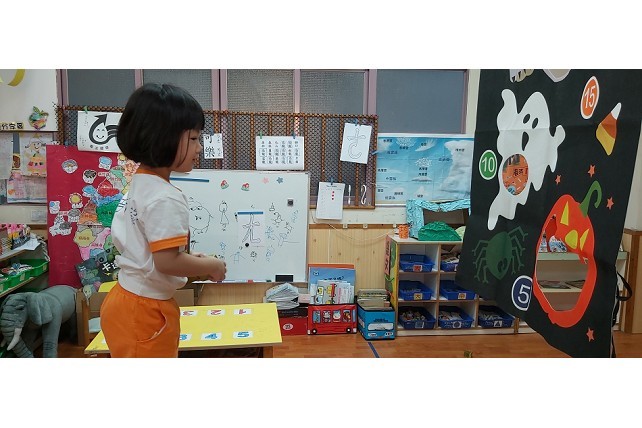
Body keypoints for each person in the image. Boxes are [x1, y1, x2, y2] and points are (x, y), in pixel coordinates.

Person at [100, 83, 227, 358]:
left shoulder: (142, 182)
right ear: (163, 138)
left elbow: (152, 249)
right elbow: (166, 262)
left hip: (126, 301)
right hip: (145, 311)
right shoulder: (165, 197)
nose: (199, 148)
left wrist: (191, 259)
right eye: (194, 138)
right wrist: (213, 265)